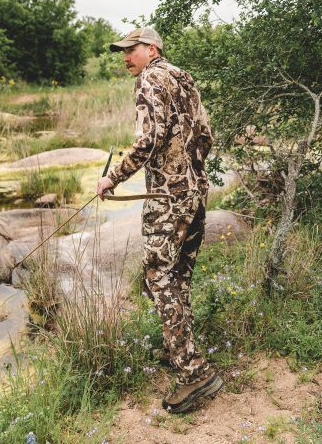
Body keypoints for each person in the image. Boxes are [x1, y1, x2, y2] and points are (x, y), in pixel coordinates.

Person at [96, 26, 222, 414]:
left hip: (167, 200)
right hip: (194, 194)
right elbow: (205, 135)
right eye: (123, 52)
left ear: (152, 49)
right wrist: (191, 174)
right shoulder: (184, 77)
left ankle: (193, 373)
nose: (124, 58)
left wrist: (112, 177)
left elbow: (148, 140)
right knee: (179, 275)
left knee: (158, 277)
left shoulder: (150, 78)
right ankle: (180, 350)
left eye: (130, 50)